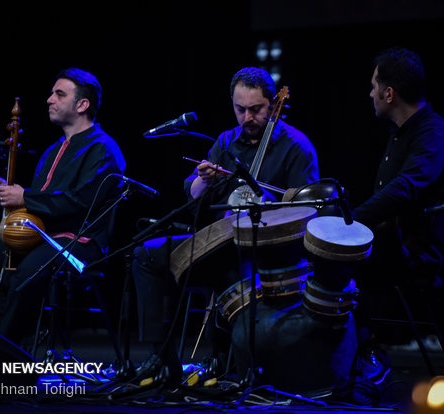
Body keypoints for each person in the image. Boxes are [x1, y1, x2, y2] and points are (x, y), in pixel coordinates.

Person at [130, 66, 319, 387]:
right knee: (146, 255)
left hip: (266, 252)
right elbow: (191, 194)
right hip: (219, 243)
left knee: (229, 274)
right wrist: (203, 181)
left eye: (256, 110)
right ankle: (162, 357)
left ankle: (224, 360)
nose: (246, 118)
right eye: (239, 109)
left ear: (273, 105)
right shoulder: (225, 141)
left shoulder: (296, 147)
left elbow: (306, 212)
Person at [0, 68, 126, 346]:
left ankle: (3, 349)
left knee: (25, 275)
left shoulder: (103, 149)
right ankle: (20, 334)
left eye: (59, 94)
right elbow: (40, 199)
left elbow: (80, 202)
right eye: (51, 93)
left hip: (76, 242)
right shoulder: (52, 150)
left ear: (82, 104)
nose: (48, 100)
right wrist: (5, 193)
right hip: (39, 236)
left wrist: (25, 197)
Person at [350, 47, 444, 387]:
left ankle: (368, 350)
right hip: (394, 243)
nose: (369, 93)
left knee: (331, 260)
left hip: (418, 252)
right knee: (326, 253)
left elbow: (406, 188)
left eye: (374, 86)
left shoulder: (432, 133)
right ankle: (353, 351)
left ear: (389, 93)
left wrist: (353, 220)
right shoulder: (402, 132)